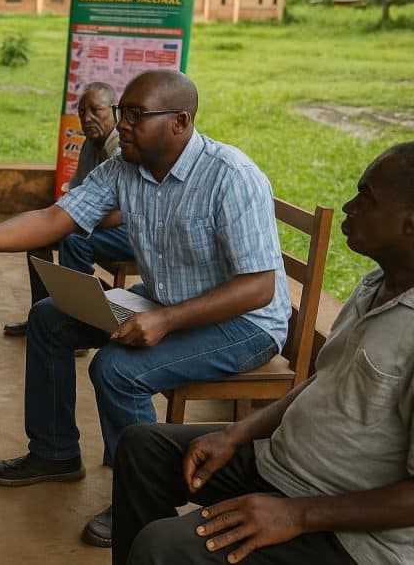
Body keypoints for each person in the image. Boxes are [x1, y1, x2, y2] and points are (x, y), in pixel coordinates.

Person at [0, 69, 290, 548]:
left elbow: (257, 288)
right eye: (122, 112)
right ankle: (55, 453)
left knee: (118, 369)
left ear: (180, 121)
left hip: (244, 322)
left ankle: (141, 499)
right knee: (49, 318)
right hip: (168, 299)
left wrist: (165, 320)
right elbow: (55, 217)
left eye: (136, 115)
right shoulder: (127, 166)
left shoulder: (231, 176)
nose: (122, 124)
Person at [112, 142, 414, 565]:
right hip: (283, 467)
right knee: (143, 447)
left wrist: (297, 514)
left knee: (163, 547)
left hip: (351, 533)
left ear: (410, 226)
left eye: (367, 198)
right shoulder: (375, 284)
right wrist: (236, 433)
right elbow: (322, 382)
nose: (349, 206)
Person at [3, 81, 134, 338]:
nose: (87, 118)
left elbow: (122, 212)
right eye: (82, 112)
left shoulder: (121, 148)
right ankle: (42, 316)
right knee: (38, 239)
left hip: (130, 230)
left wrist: (75, 219)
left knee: (74, 241)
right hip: (103, 223)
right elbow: (76, 194)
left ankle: (80, 326)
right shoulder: (90, 144)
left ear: (115, 111)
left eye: (96, 110)